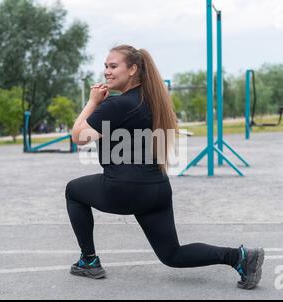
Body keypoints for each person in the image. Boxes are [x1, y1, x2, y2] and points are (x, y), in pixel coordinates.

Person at [65, 44, 264, 289]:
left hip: (125, 188)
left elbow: (78, 136)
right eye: (106, 66)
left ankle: (88, 261)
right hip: (157, 188)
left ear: (132, 70)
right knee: (172, 255)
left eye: (113, 66)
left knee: (73, 191)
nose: (107, 71)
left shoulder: (117, 105)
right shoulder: (150, 101)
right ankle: (239, 257)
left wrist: (92, 101)